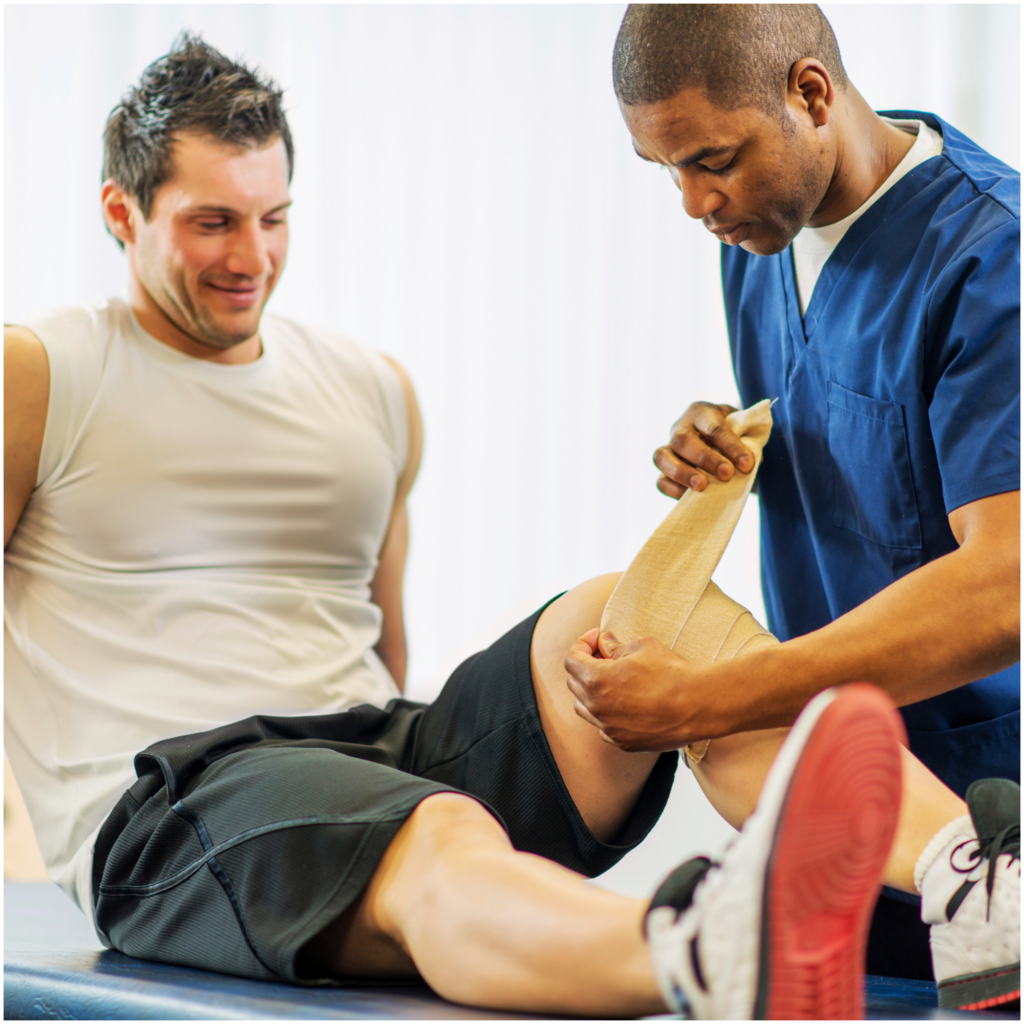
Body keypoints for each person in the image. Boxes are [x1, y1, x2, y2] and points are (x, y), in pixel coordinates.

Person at [2, 30, 1016, 1020]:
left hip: (367, 749)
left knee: (622, 613)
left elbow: (378, 634)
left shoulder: (370, 390)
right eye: (211, 222)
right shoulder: (39, 374)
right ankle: (704, 949)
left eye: (273, 218)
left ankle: (972, 873)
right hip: (174, 791)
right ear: (120, 212)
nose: (251, 256)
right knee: (435, 831)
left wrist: (705, 654)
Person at [565, 1, 1020, 1006]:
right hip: (842, 816)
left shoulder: (994, 258)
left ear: (809, 93)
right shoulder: (760, 236)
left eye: (711, 161)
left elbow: (1005, 588)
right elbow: (863, 436)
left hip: (990, 801)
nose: (692, 202)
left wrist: (717, 698)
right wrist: (726, 443)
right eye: (667, 171)